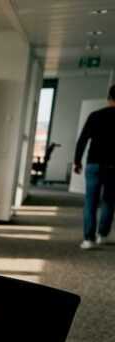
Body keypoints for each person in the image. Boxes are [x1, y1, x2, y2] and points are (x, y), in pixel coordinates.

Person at [73, 84, 115, 250]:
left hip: (94, 164)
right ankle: (102, 235)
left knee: (91, 201)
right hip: (114, 166)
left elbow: (82, 140)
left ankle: (88, 239)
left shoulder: (95, 116)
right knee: (109, 201)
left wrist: (77, 162)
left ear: (109, 97)